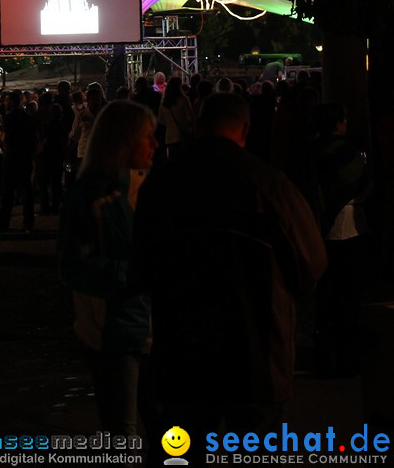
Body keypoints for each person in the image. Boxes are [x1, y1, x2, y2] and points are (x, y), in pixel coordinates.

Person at [132, 91, 327, 451]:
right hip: (255, 353)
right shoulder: (269, 185)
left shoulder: (160, 186)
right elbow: (310, 264)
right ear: (245, 129)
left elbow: (138, 269)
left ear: (198, 126)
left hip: (182, 353)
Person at [58, 98, 157, 439]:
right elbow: (74, 265)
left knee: (168, 430)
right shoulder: (90, 197)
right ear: (123, 141)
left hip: (154, 326)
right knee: (122, 431)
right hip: (112, 328)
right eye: (148, 136)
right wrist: (137, 274)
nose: (155, 145)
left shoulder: (154, 189)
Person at [307, 101, 374, 377]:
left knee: (326, 296)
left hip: (323, 230)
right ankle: (348, 356)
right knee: (350, 296)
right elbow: (367, 184)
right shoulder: (351, 154)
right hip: (351, 229)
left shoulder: (311, 153)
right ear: (337, 123)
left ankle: (325, 354)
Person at [0, 89, 38, 233]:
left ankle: (5, 221)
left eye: (7, 100)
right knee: (25, 191)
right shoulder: (27, 117)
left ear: (11, 102)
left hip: (11, 156)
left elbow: (4, 136)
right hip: (24, 156)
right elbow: (32, 137)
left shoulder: (9, 118)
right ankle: (28, 222)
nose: (5, 103)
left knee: (8, 191)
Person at [156, 74, 195, 158]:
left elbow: (161, 120)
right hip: (183, 134)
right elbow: (191, 117)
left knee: (173, 160)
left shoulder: (164, 103)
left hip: (170, 137)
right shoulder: (184, 100)